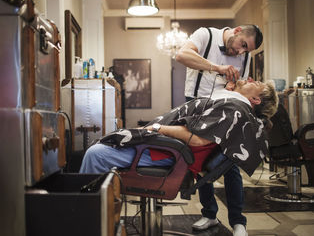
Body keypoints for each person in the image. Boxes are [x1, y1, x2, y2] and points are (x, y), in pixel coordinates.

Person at [80, 79, 277, 180]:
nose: (250, 79)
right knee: (102, 145)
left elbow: (198, 139)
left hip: (169, 152)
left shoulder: (235, 109)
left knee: (96, 154)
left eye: (255, 83)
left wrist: (158, 128)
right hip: (164, 147)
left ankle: (85, 221)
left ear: (256, 99)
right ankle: (101, 213)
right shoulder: (232, 104)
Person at [175, 24, 263, 236]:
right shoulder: (206, 34)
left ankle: (238, 221)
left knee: (229, 163)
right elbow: (181, 55)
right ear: (237, 30)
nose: (241, 53)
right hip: (197, 104)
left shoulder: (246, 57)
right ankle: (210, 214)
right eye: (242, 45)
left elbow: (240, 88)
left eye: (246, 50)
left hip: (225, 109)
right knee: (201, 161)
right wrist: (218, 68)